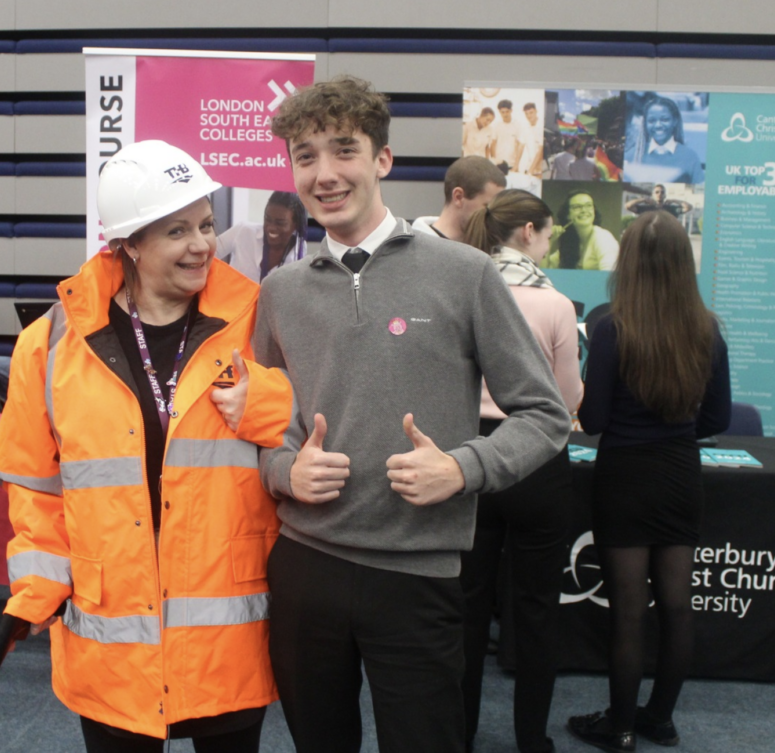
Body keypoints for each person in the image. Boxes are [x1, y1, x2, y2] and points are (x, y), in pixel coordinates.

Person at [254, 75, 571, 753]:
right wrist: (283, 468)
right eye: (305, 156)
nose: (325, 172)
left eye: (344, 150)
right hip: (306, 566)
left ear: (383, 160)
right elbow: (263, 420)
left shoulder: (464, 274)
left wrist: (462, 468)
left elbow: (546, 414)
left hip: (417, 573)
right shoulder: (279, 292)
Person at [0, 140, 294, 753]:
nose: (202, 245)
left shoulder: (261, 319)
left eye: (207, 224)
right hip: (113, 637)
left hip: (226, 632)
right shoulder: (50, 344)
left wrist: (264, 403)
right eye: (177, 231)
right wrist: (38, 585)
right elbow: (35, 484)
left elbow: (315, 424)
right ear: (128, 243)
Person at [568, 210, 731, 752]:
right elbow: (717, 420)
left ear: (629, 262)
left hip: (626, 477)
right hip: (681, 473)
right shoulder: (707, 328)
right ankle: (659, 718)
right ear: (685, 263)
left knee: (629, 611)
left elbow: (592, 422)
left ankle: (620, 728)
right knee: (678, 605)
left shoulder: (611, 327)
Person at [461, 189, 583, 753]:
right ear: (529, 232)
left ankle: (454, 736)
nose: (551, 241)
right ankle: (531, 740)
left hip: (471, 458)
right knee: (536, 611)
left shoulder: (462, 286)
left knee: (464, 609)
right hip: (536, 459)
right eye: (550, 232)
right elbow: (565, 399)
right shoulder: (556, 304)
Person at [217, 191, 307, 282]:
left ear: (295, 225)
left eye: (280, 223)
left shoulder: (298, 249)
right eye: (267, 219)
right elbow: (207, 253)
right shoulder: (243, 231)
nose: (271, 227)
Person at [412, 156, 506, 242]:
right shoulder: (411, 247)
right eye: (487, 207)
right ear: (458, 197)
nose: (494, 217)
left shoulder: (490, 248)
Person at [625, 97, 704, 184]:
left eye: (665, 119)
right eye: (651, 121)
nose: (658, 125)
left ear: (675, 121)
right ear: (645, 124)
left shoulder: (690, 157)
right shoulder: (632, 154)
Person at [541, 191, 619, 271]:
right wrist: (549, 241)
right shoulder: (570, 242)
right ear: (568, 215)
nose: (584, 210)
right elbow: (544, 271)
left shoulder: (603, 237)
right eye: (577, 207)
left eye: (588, 205)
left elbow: (609, 275)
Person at [625, 184, 693, 219]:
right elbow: (628, 206)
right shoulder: (646, 209)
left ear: (665, 195)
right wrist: (644, 200)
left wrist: (674, 200)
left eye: (662, 192)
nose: (659, 194)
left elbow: (688, 207)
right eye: (657, 192)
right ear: (653, 195)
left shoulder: (671, 209)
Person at [489, 99, 520, 171]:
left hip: (512, 164)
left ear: (511, 111)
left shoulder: (517, 125)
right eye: (502, 112)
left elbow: (519, 146)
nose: (505, 114)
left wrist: (516, 164)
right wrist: (494, 161)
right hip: (499, 164)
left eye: (507, 112)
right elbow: (493, 144)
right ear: (499, 112)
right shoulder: (496, 125)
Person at [517, 103, 544, 177]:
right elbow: (520, 147)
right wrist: (515, 166)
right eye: (526, 113)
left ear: (536, 111)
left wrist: (531, 170)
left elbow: (540, 150)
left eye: (531, 112)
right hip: (529, 167)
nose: (529, 116)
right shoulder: (525, 127)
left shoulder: (542, 126)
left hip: (539, 168)